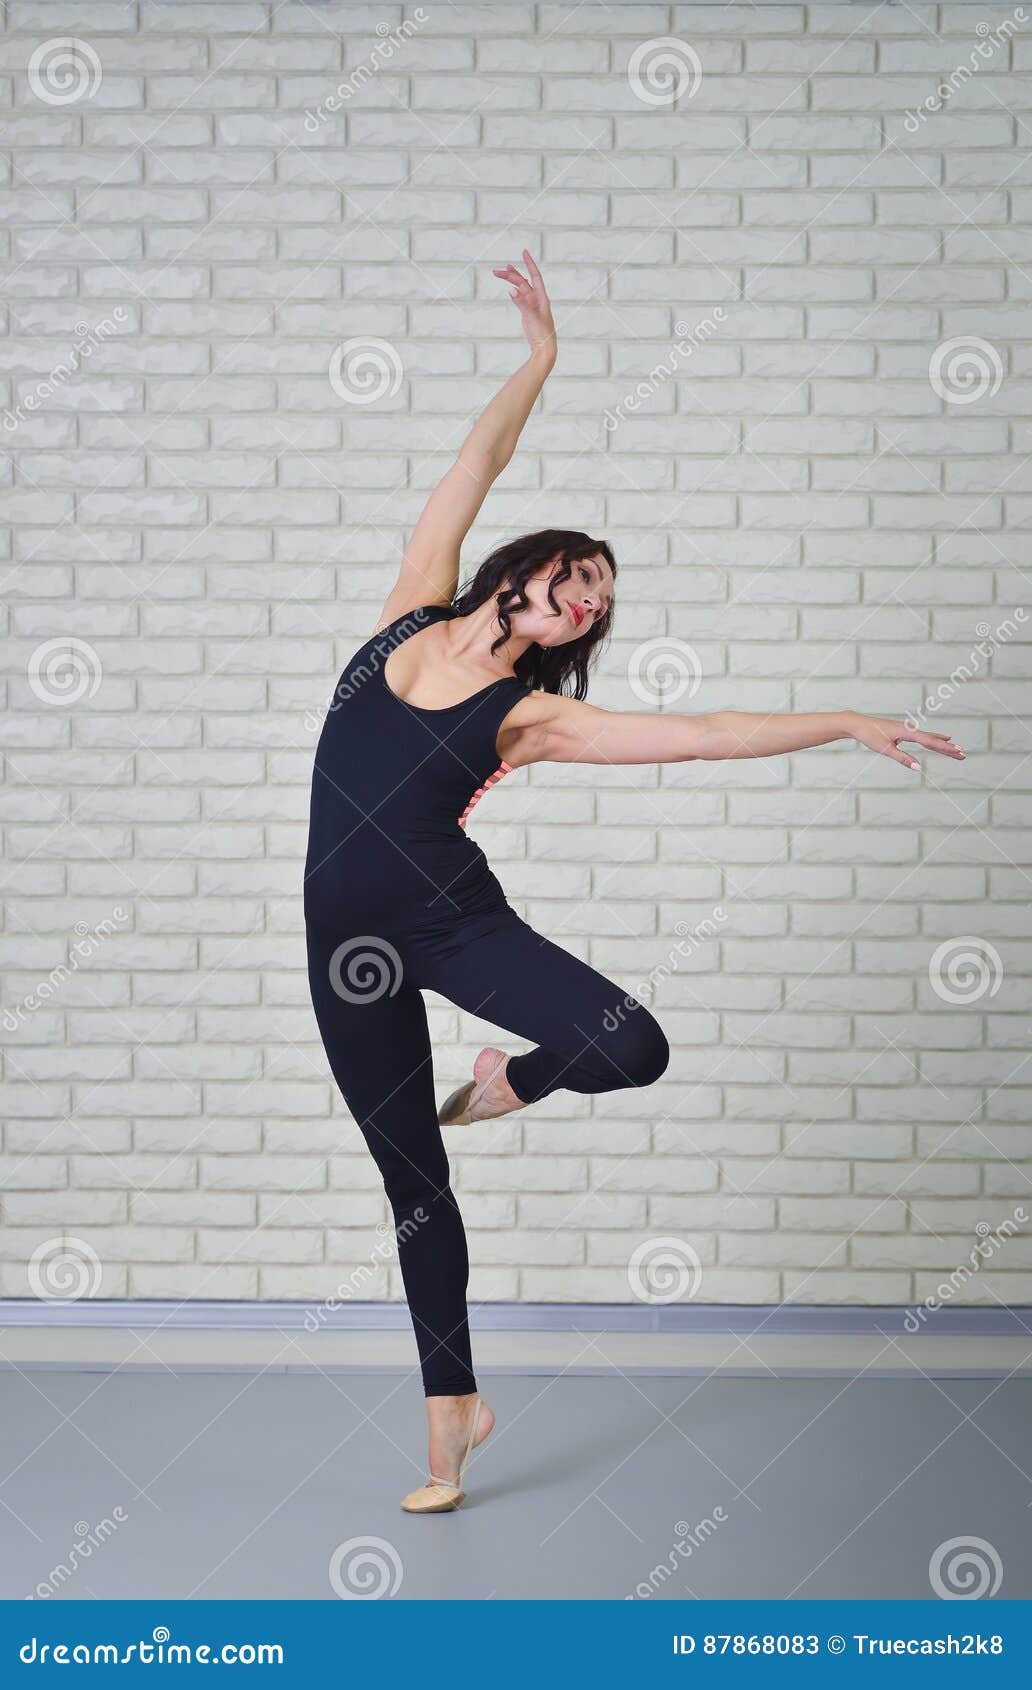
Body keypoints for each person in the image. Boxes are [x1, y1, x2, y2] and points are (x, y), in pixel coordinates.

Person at [303, 251, 964, 1513]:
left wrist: (838, 718)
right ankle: (454, 1415)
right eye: (582, 580)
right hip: (344, 945)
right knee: (411, 1180)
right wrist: (540, 359)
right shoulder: (406, 612)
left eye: (596, 609)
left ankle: (515, 1078)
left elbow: (706, 732)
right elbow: (471, 467)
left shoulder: (524, 719)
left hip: (450, 925)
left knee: (632, 1043)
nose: (587, 603)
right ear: (532, 568)